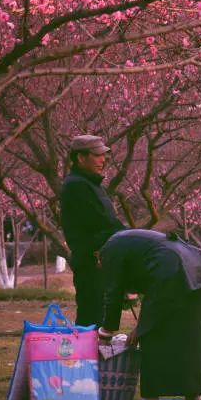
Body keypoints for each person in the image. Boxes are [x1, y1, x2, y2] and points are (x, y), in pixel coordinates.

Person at [97, 229, 201, 400]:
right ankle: (194, 397)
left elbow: (112, 292)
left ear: (97, 254)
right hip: (198, 265)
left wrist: (106, 332)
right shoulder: (126, 241)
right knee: (190, 335)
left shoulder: (109, 251)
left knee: (151, 332)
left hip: (170, 267)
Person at [60, 134, 125, 326]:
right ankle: (86, 347)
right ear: (81, 158)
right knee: (91, 320)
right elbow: (101, 223)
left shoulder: (91, 184)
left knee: (99, 319)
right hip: (91, 261)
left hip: (100, 260)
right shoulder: (77, 185)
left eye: (104, 155)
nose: (103, 160)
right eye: (97, 155)